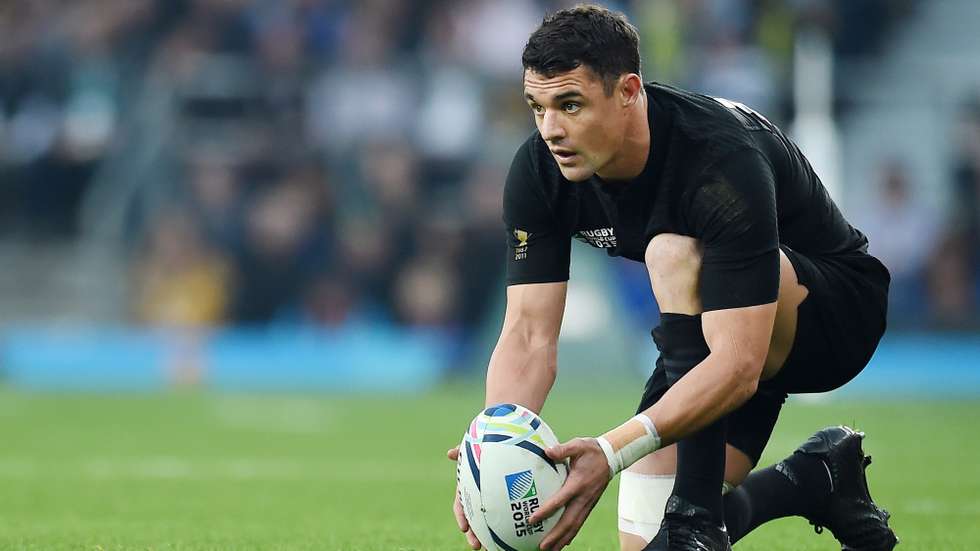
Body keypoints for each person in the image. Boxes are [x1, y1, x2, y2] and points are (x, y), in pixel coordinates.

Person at [448, 5, 897, 551]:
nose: (551, 129)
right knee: (647, 544)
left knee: (671, 252)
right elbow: (527, 334)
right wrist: (490, 450)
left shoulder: (717, 158)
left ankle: (697, 515)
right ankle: (816, 479)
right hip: (712, 326)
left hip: (830, 315)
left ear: (629, 91)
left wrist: (611, 451)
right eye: (537, 107)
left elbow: (737, 366)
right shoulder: (540, 172)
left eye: (570, 105)